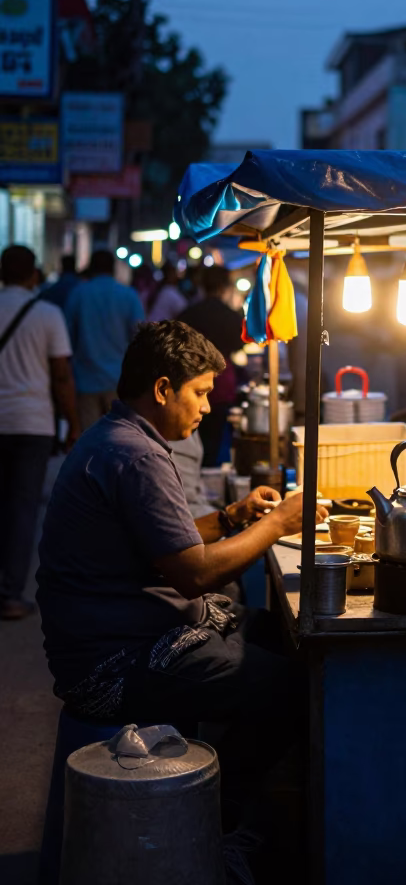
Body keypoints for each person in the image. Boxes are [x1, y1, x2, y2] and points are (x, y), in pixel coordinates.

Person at [37, 320, 328, 832]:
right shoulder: (136, 453)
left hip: (122, 632)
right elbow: (193, 574)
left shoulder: (116, 436)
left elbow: (161, 543)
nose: (207, 407)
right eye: (200, 392)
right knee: (293, 690)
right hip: (111, 663)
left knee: (280, 637)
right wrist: (282, 522)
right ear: (163, 389)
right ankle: (217, 822)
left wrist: (234, 518)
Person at [0, 245, 79, 620]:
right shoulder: (47, 314)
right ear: (34, 275)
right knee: (22, 509)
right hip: (32, 423)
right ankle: (11, 595)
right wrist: (73, 423)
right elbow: (61, 375)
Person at [64, 248, 145, 431]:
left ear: (91, 267)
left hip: (85, 378)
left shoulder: (78, 294)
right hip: (119, 379)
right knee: (120, 438)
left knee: (89, 441)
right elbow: (139, 336)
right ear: (113, 268)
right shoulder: (128, 295)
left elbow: (67, 337)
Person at [178, 265, 244, 464]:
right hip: (222, 383)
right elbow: (239, 344)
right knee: (216, 439)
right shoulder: (231, 316)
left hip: (189, 383)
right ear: (225, 286)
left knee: (192, 438)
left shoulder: (188, 314)